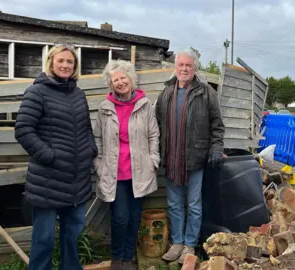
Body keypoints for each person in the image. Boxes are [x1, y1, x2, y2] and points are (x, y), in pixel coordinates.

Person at [14, 44, 96, 270]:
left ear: (75, 66)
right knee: (44, 240)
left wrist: (90, 151)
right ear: (51, 63)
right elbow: (23, 129)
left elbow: (87, 129)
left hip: (77, 181)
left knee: (73, 237)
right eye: (60, 61)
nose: (65, 65)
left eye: (70, 62)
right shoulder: (37, 91)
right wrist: (49, 156)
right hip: (48, 181)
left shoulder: (78, 93)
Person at [155, 48, 225, 263]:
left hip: (196, 158)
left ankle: (190, 245)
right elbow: (157, 124)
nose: (184, 69)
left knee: (194, 203)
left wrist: (215, 149)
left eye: (188, 65)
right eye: (181, 65)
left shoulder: (206, 93)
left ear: (195, 68)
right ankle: (177, 242)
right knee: (174, 203)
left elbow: (217, 125)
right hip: (172, 158)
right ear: (175, 67)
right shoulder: (166, 93)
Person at [93, 59, 160, 270]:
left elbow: (153, 135)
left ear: (131, 78)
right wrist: (99, 165)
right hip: (114, 172)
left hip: (140, 171)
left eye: (123, 77)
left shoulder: (144, 105)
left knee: (133, 217)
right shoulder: (105, 108)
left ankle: (129, 258)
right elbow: (97, 139)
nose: (120, 82)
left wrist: (153, 161)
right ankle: (117, 258)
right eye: (116, 80)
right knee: (120, 218)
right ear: (111, 84)